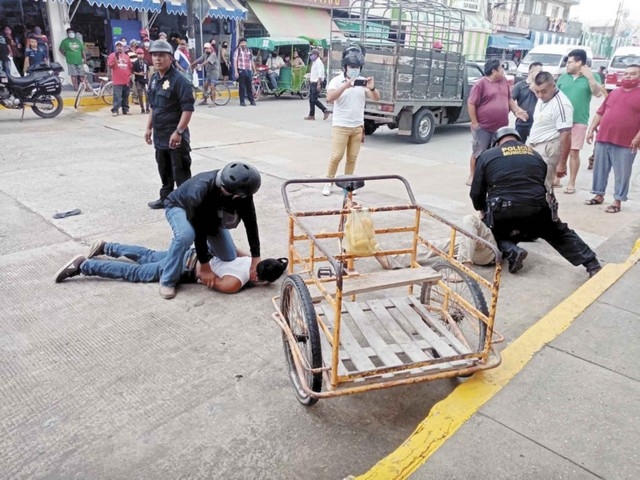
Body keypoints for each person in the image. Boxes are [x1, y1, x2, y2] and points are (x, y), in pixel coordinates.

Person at [470, 127, 602, 277]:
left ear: (496, 142)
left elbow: (476, 191)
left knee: (489, 231)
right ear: (518, 140)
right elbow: (542, 183)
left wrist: (482, 209)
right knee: (558, 232)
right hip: (537, 208)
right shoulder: (535, 155)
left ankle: (512, 249)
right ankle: (592, 264)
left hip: (503, 210)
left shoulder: (487, 156)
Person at [155, 162, 263, 299]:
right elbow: (199, 232)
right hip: (179, 206)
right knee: (185, 235)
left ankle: (197, 255)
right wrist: (205, 267)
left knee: (229, 256)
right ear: (226, 188)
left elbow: (251, 222)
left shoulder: (243, 189)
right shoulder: (200, 191)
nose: (242, 199)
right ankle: (167, 279)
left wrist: (255, 257)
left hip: (210, 214)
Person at [54, 241, 287, 294]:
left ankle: (108, 246)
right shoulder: (235, 282)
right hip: (184, 268)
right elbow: (207, 280)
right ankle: (84, 265)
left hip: (189, 253)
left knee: (147, 255)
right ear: (258, 278)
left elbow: (231, 249)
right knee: (136, 273)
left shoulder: (249, 260)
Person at [322, 45, 380, 196]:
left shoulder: (362, 81)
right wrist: (346, 86)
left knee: (352, 158)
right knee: (336, 156)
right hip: (341, 126)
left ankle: (347, 186)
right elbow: (329, 98)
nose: (354, 69)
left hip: (357, 127)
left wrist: (372, 88)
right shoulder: (336, 81)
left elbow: (376, 98)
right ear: (345, 67)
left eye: (357, 67)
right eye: (351, 66)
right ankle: (328, 183)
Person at [145, 40, 195, 210]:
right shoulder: (154, 79)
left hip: (175, 136)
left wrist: (179, 131)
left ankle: (184, 204)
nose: (157, 59)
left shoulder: (180, 80)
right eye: (154, 55)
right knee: (164, 168)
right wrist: (148, 128)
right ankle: (165, 198)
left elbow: (187, 109)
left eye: (161, 55)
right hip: (160, 136)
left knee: (180, 170)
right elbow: (154, 106)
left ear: (171, 58)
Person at [584, 64, 640, 214]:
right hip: (604, 137)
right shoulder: (614, 93)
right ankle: (598, 194)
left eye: (632, 74)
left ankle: (617, 200)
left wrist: (638, 137)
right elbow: (600, 113)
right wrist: (591, 130)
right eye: (626, 73)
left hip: (626, 142)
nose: (628, 76)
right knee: (599, 168)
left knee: (622, 173)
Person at [466, 59, 529, 185]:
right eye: (501, 68)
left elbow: (509, 99)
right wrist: (474, 122)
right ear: (494, 70)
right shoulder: (481, 84)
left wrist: (517, 110)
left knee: (498, 153)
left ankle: (492, 176)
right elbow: (471, 103)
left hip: (501, 128)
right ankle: (473, 175)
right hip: (484, 127)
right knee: (479, 152)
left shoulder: (504, 82)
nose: (503, 70)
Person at [375, 213, 497, 271]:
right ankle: (391, 261)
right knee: (436, 245)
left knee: (469, 219)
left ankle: (464, 267)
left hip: (491, 250)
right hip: (481, 244)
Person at [556, 49, 603, 194]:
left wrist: (590, 78)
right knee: (557, 150)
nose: (567, 65)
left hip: (579, 120)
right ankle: (556, 178)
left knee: (573, 151)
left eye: (570, 62)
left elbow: (597, 93)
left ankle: (571, 182)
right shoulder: (563, 77)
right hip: (560, 121)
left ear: (579, 62)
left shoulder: (593, 76)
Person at [528, 71, 573, 190]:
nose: (540, 95)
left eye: (543, 91)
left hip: (549, 148)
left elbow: (566, 135)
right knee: (530, 183)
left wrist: (562, 163)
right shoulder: (542, 97)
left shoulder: (562, 104)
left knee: (542, 186)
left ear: (553, 86)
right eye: (537, 92)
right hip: (534, 146)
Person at [511, 61, 543, 143]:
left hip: (537, 122)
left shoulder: (541, 87)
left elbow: (545, 101)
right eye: (539, 72)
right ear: (531, 72)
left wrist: (535, 91)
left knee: (536, 147)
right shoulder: (520, 85)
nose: (541, 74)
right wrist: (517, 110)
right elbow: (510, 100)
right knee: (518, 146)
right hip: (522, 122)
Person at [107, 40, 133, 116]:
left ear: (123, 47)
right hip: (117, 81)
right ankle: (115, 110)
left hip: (126, 80)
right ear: (115, 47)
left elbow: (130, 67)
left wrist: (129, 76)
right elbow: (109, 65)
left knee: (126, 96)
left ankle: (125, 110)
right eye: (117, 46)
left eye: (120, 46)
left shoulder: (126, 57)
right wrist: (114, 61)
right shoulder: (112, 55)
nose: (119, 48)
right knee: (117, 97)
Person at [190, 42, 219, 106]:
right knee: (205, 86)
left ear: (211, 49)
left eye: (208, 48)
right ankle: (205, 100)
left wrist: (200, 66)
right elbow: (199, 60)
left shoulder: (213, 55)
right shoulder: (205, 54)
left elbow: (207, 61)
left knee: (212, 87)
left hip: (214, 72)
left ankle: (213, 103)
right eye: (205, 48)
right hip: (208, 73)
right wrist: (192, 65)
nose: (206, 50)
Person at [305, 48, 329, 121]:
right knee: (311, 100)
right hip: (313, 82)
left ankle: (324, 110)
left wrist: (319, 84)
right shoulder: (314, 62)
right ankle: (311, 115)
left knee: (314, 99)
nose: (311, 56)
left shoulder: (319, 63)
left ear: (316, 55)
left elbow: (320, 74)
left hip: (317, 83)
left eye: (312, 55)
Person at [233, 38, 256, 107]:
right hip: (241, 70)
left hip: (248, 70)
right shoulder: (237, 51)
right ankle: (242, 101)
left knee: (249, 86)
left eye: (244, 43)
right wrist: (236, 72)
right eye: (242, 43)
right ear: (240, 44)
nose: (243, 44)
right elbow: (235, 61)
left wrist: (254, 70)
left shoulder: (249, 51)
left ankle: (251, 100)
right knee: (242, 86)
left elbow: (251, 61)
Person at [132, 48, 149, 114]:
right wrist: (139, 74)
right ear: (137, 55)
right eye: (139, 54)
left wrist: (148, 80)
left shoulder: (146, 62)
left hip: (145, 81)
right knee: (140, 95)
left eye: (141, 54)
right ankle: (142, 108)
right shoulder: (135, 63)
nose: (140, 55)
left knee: (147, 95)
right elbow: (133, 72)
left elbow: (148, 71)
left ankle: (147, 108)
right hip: (138, 81)